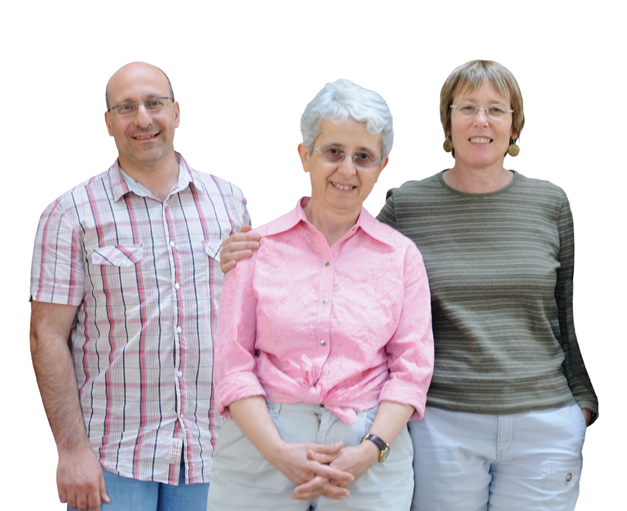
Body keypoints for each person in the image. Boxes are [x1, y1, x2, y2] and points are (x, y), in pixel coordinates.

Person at [219, 61, 598, 511]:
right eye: (467, 107)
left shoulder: (548, 204)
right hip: (441, 423)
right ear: (447, 121)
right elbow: (338, 250)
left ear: (514, 124)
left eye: (496, 109)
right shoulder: (408, 207)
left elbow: (562, 311)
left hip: (534, 419)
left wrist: (582, 401)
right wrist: (234, 257)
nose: (481, 120)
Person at [29, 62, 250, 511]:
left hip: (213, 453)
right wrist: (71, 451)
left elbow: (246, 321)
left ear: (177, 112)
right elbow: (45, 336)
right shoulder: (70, 214)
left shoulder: (229, 202)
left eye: (154, 103)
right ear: (108, 122)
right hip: (113, 457)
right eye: (126, 108)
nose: (143, 118)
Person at [206, 79, 434, 511]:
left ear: (382, 166)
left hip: (368, 445)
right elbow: (233, 366)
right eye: (333, 151)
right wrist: (276, 451)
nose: (347, 170)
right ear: (304, 155)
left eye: (363, 157)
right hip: (261, 445)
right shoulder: (254, 248)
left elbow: (412, 370)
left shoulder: (401, 257)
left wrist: (369, 451)